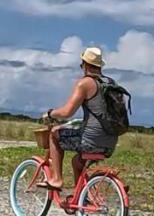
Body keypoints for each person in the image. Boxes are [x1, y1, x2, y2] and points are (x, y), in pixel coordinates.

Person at [40, 47, 118, 190]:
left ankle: (56, 179)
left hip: (90, 140)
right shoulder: (111, 84)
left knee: (54, 133)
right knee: (77, 161)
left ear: (85, 64)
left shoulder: (85, 83)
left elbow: (67, 112)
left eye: (82, 65)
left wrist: (50, 113)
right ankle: (82, 199)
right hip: (110, 142)